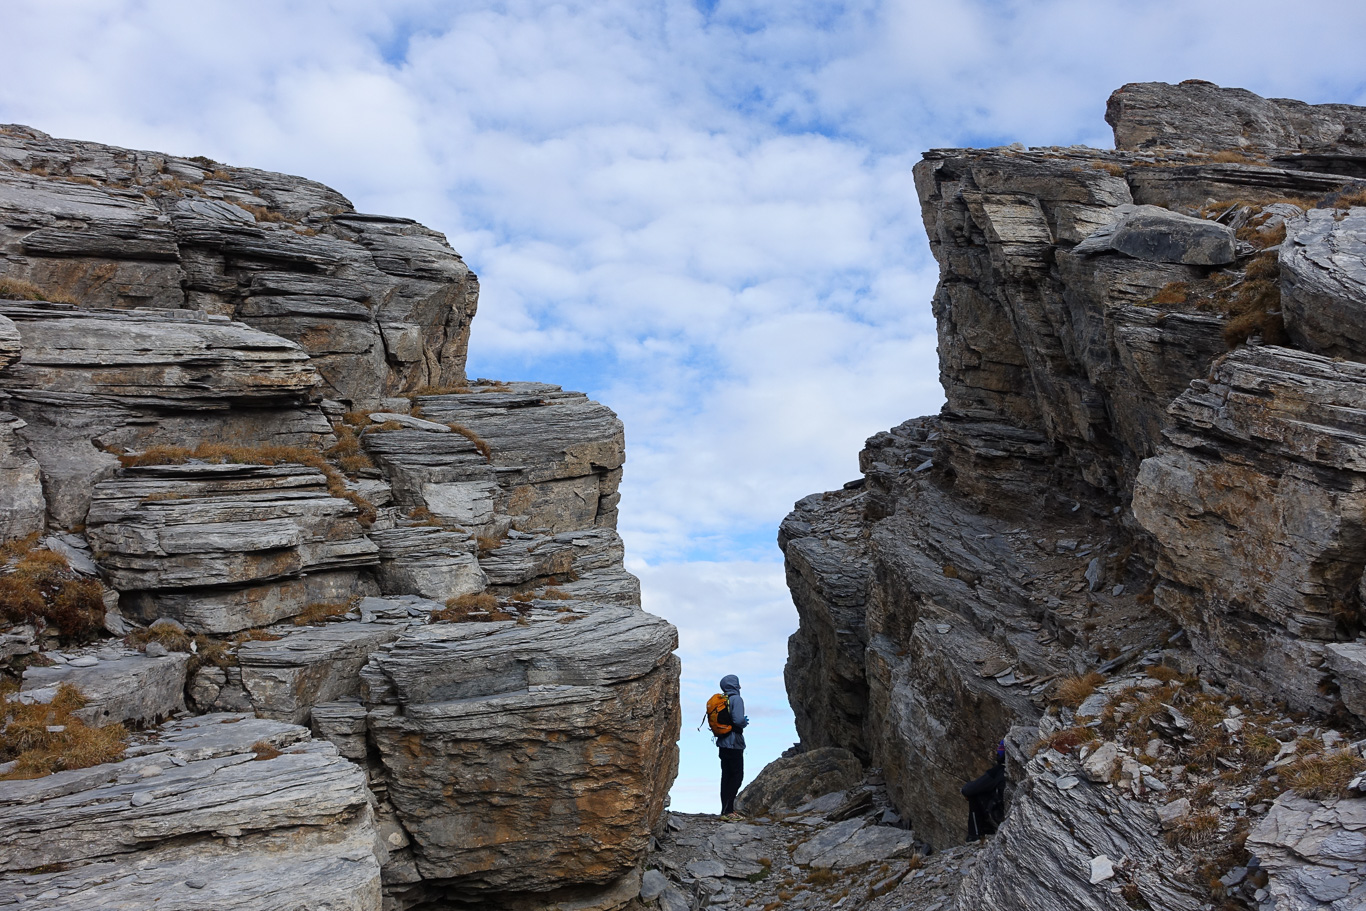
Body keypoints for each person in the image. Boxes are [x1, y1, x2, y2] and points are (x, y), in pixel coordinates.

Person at [717, 674, 749, 820]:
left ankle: (725, 810)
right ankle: (729, 811)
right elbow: (738, 720)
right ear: (734, 685)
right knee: (737, 775)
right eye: (738, 683)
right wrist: (744, 723)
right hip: (734, 743)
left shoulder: (722, 700)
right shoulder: (736, 699)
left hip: (722, 743)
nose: (740, 686)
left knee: (726, 776)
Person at [961, 740, 1007, 840]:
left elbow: (969, 789)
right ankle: (986, 830)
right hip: (1008, 813)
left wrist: (964, 790)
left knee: (974, 795)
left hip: (999, 814)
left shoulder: (998, 771)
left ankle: (975, 835)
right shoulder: (1011, 770)